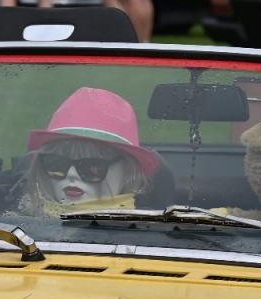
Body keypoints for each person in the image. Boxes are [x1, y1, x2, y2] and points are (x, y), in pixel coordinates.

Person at [17, 87, 164, 214]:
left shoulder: (147, 237)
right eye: (56, 164)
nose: (71, 174)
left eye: (92, 166)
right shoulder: (16, 231)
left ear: (128, 172)